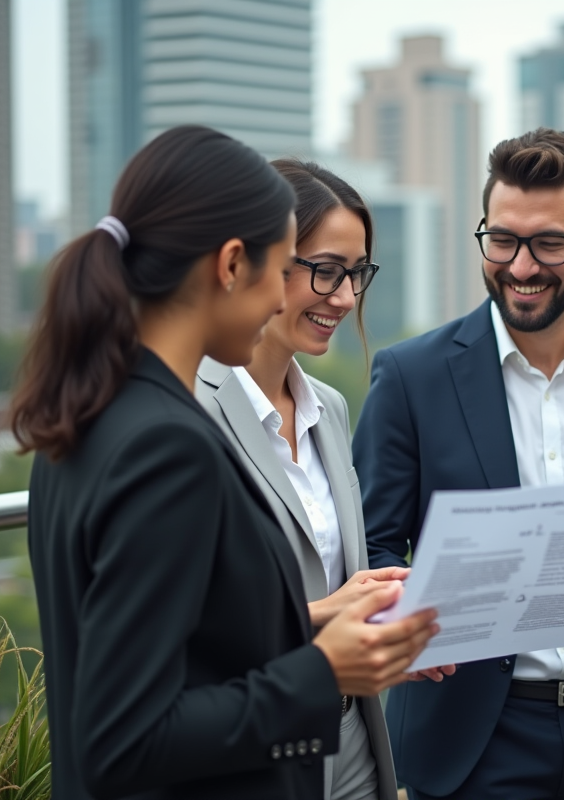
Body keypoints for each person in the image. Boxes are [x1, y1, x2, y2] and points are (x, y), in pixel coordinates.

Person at [12, 126, 438, 800]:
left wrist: (328, 626)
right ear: (232, 264)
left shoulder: (87, 415)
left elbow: (184, 648)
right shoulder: (167, 447)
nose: (280, 300)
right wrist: (323, 673)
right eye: (284, 268)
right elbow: (124, 738)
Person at [352, 128, 564, 800]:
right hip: (468, 741)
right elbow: (374, 547)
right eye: (502, 240)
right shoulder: (409, 375)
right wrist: (406, 618)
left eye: (548, 244)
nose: (522, 265)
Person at [195, 158, 434, 800]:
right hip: (254, 752)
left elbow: (339, 577)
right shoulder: (190, 412)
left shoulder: (330, 408)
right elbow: (189, 627)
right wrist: (330, 617)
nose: (346, 297)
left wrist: (395, 628)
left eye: (357, 274)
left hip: (352, 742)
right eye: (326, 271)